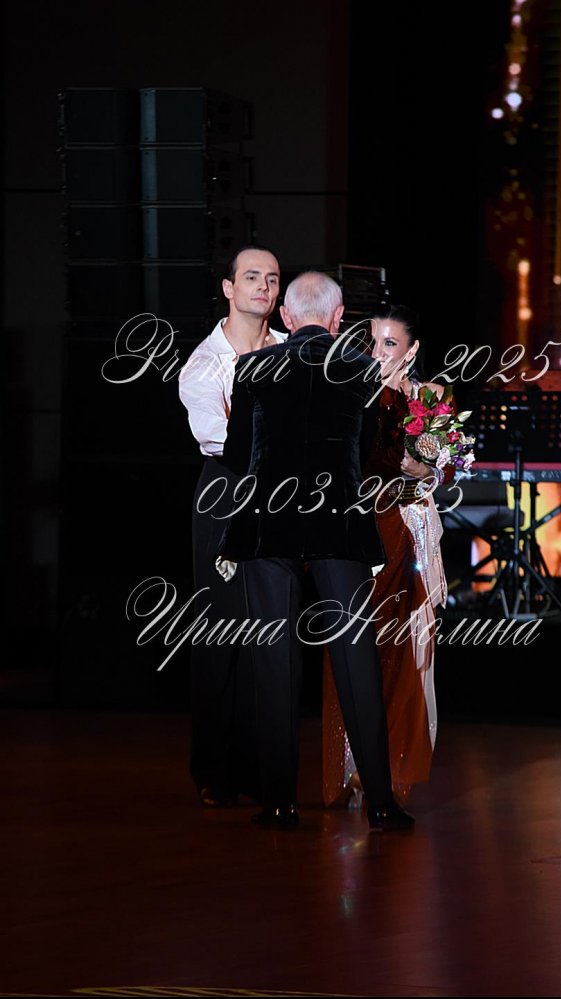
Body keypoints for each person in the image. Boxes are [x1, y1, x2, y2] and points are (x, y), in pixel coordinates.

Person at [215, 272, 415, 832]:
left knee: (272, 659)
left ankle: (280, 802)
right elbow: (371, 453)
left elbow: (236, 454)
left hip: (268, 523)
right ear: (338, 317)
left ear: (285, 317)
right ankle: (381, 803)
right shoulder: (361, 370)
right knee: (355, 657)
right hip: (338, 523)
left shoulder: (253, 368)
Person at [323, 305, 449, 807]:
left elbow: (440, 465)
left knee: (407, 647)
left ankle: (391, 767)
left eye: (390, 344)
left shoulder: (429, 397)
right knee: (357, 645)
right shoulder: (349, 393)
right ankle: (349, 765)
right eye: (371, 342)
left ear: (412, 350)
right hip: (362, 527)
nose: (377, 353)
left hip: (409, 528)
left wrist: (425, 466)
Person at [178, 245, 285, 807]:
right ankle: (214, 768)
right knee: (222, 632)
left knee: (270, 632)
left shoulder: (289, 350)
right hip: (226, 490)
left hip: (280, 496)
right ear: (229, 288)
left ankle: (261, 767)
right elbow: (223, 440)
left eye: (272, 279)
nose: (263, 287)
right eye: (252, 277)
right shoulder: (205, 363)